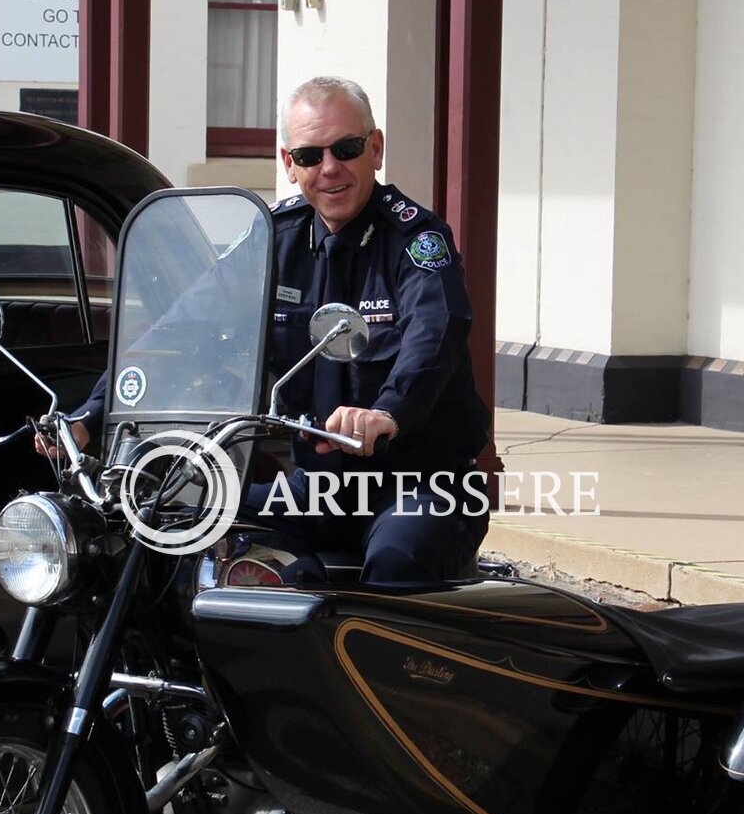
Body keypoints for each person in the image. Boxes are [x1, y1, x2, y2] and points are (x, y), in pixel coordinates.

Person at [52, 75, 491, 586]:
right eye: (309, 156)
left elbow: (434, 336)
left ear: (375, 149)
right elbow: (182, 329)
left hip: (421, 484)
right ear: (288, 163)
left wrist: (385, 413)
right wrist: (94, 412)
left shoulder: (416, 240)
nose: (329, 169)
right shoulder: (272, 239)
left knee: (398, 562)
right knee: (176, 520)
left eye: (346, 149)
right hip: (315, 490)